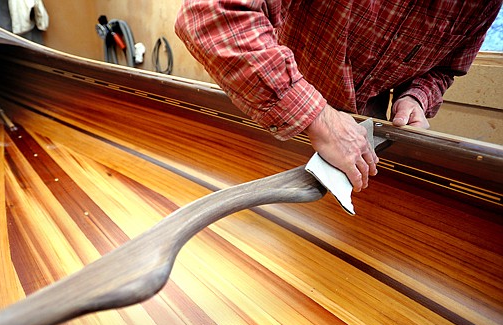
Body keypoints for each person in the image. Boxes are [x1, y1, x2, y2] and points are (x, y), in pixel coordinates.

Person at [174, 1, 502, 192]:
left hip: (357, 139)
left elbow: (445, 67)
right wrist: (320, 119)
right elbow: (210, 13)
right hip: (266, 109)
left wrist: (416, 96)